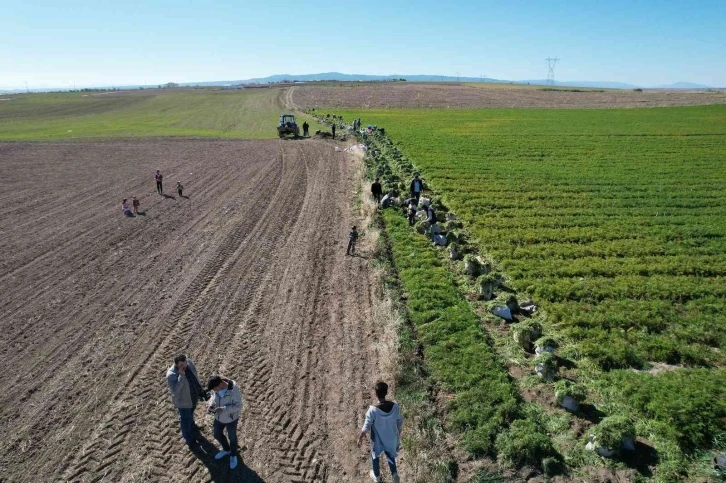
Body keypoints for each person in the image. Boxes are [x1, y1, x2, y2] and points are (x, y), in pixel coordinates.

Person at [357, 381, 403, 483]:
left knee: (374, 456)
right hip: (391, 437)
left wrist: (360, 437)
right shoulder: (395, 406)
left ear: (376, 394)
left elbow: (366, 427)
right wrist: (398, 433)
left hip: (377, 440)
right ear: (386, 393)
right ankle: (394, 475)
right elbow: (400, 421)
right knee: (390, 455)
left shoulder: (372, 410)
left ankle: (377, 477)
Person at [166, 354, 204, 445]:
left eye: (185, 363)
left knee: (190, 414)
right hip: (184, 402)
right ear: (176, 364)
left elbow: (195, 376)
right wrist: (181, 376)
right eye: (181, 365)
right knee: (184, 419)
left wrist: (200, 389)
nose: (185, 366)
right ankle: (189, 439)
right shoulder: (171, 375)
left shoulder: (189, 363)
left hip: (193, 396)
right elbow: (175, 390)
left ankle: (192, 425)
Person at [207, 376, 243, 470]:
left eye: (215, 389)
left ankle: (233, 455)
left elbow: (238, 406)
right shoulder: (215, 388)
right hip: (218, 418)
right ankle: (226, 449)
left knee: (232, 438)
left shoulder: (233, 390)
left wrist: (223, 409)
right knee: (217, 434)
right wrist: (211, 404)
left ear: (219, 384)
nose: (214, 391)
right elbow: (212, 396)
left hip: (231, 419)